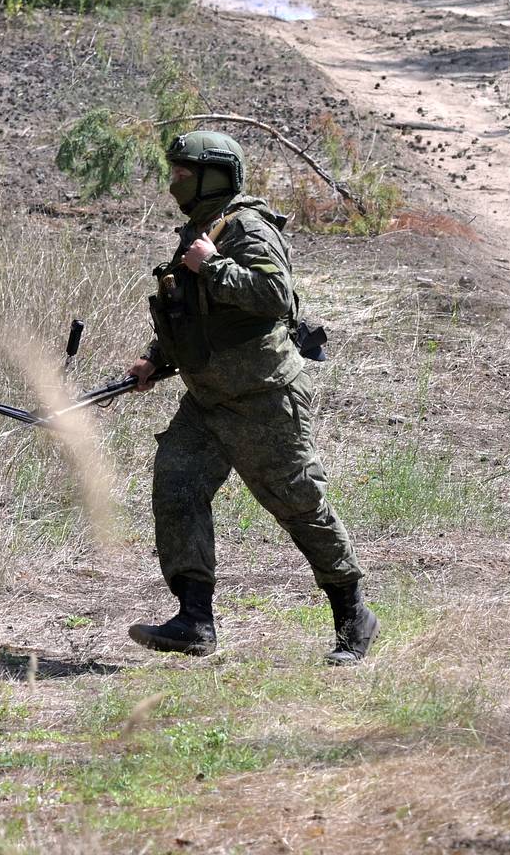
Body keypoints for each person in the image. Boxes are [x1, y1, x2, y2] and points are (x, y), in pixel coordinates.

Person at [125, 130, 378, 665]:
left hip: (263, 401)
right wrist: (156, 358)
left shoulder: (247, 226)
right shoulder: (201, 229)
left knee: (299, 505)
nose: (174, 182)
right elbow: (195, 312)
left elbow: (273, 295)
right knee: (178, 489)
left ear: (214, 176)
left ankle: (352, 613)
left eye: (183, 174)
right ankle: (194, 620)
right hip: (208, 400)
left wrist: (211, 265)